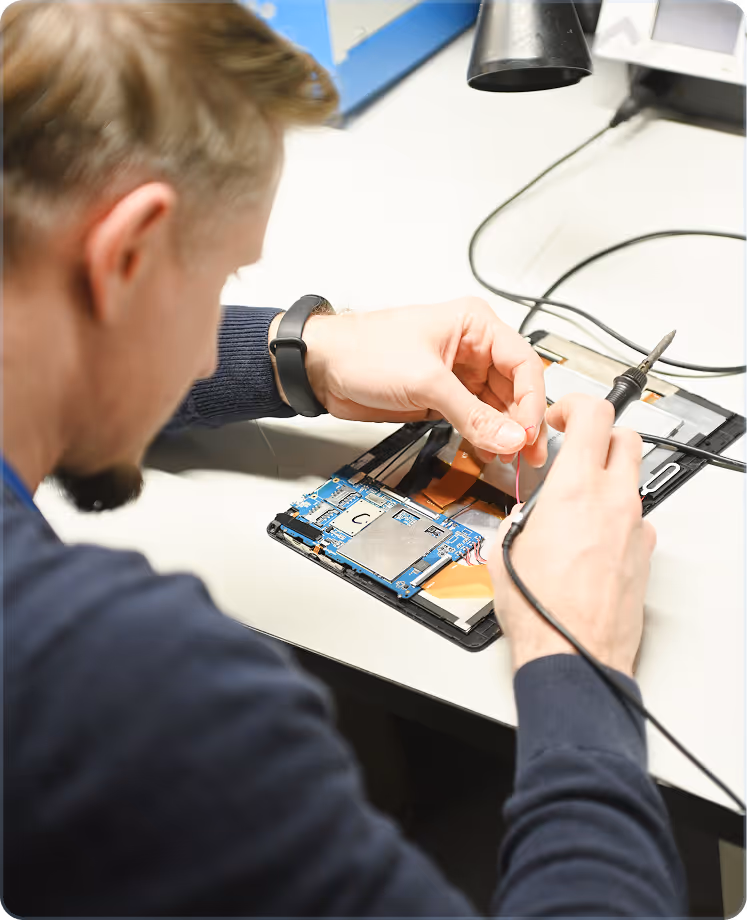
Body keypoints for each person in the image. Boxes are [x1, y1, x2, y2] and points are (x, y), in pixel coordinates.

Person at [2, 2, 685, 916]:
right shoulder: (122, 690)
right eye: (220, 280)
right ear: (125, 254)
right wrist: (577, 660)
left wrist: (300, 353)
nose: (205, 351)